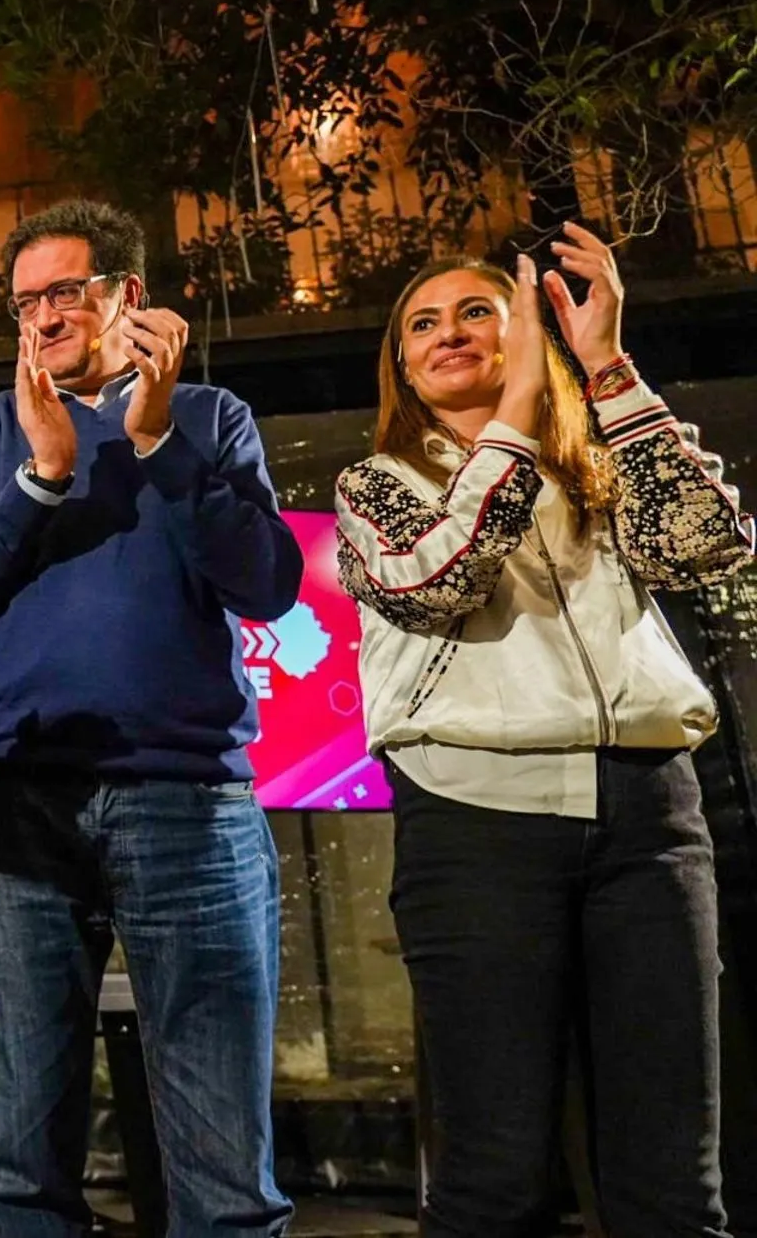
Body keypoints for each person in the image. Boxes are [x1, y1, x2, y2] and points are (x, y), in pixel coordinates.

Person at [335, 226, 747, 1236]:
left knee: (675, 1185)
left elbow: (709, 545)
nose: (451, 332)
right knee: (495, 1179)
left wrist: (604, 365)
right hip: (479, 826)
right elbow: (435, 579)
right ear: (400, 365)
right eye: (422, 323)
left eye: (479, 309)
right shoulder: (377, 486)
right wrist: (515, 417)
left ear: (529, 330)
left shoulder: (599, 464)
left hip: (653, 818)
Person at [0, 198, 301, 1237]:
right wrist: (39, 478)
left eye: (63, 293)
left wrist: (157, 439)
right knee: (22, 1163)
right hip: (16, 800)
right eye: (23, 301)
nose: (39, 318)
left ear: (128, 296)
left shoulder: (210, 417)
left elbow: (267, 584)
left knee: (226, 1167)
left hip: (190, 803)